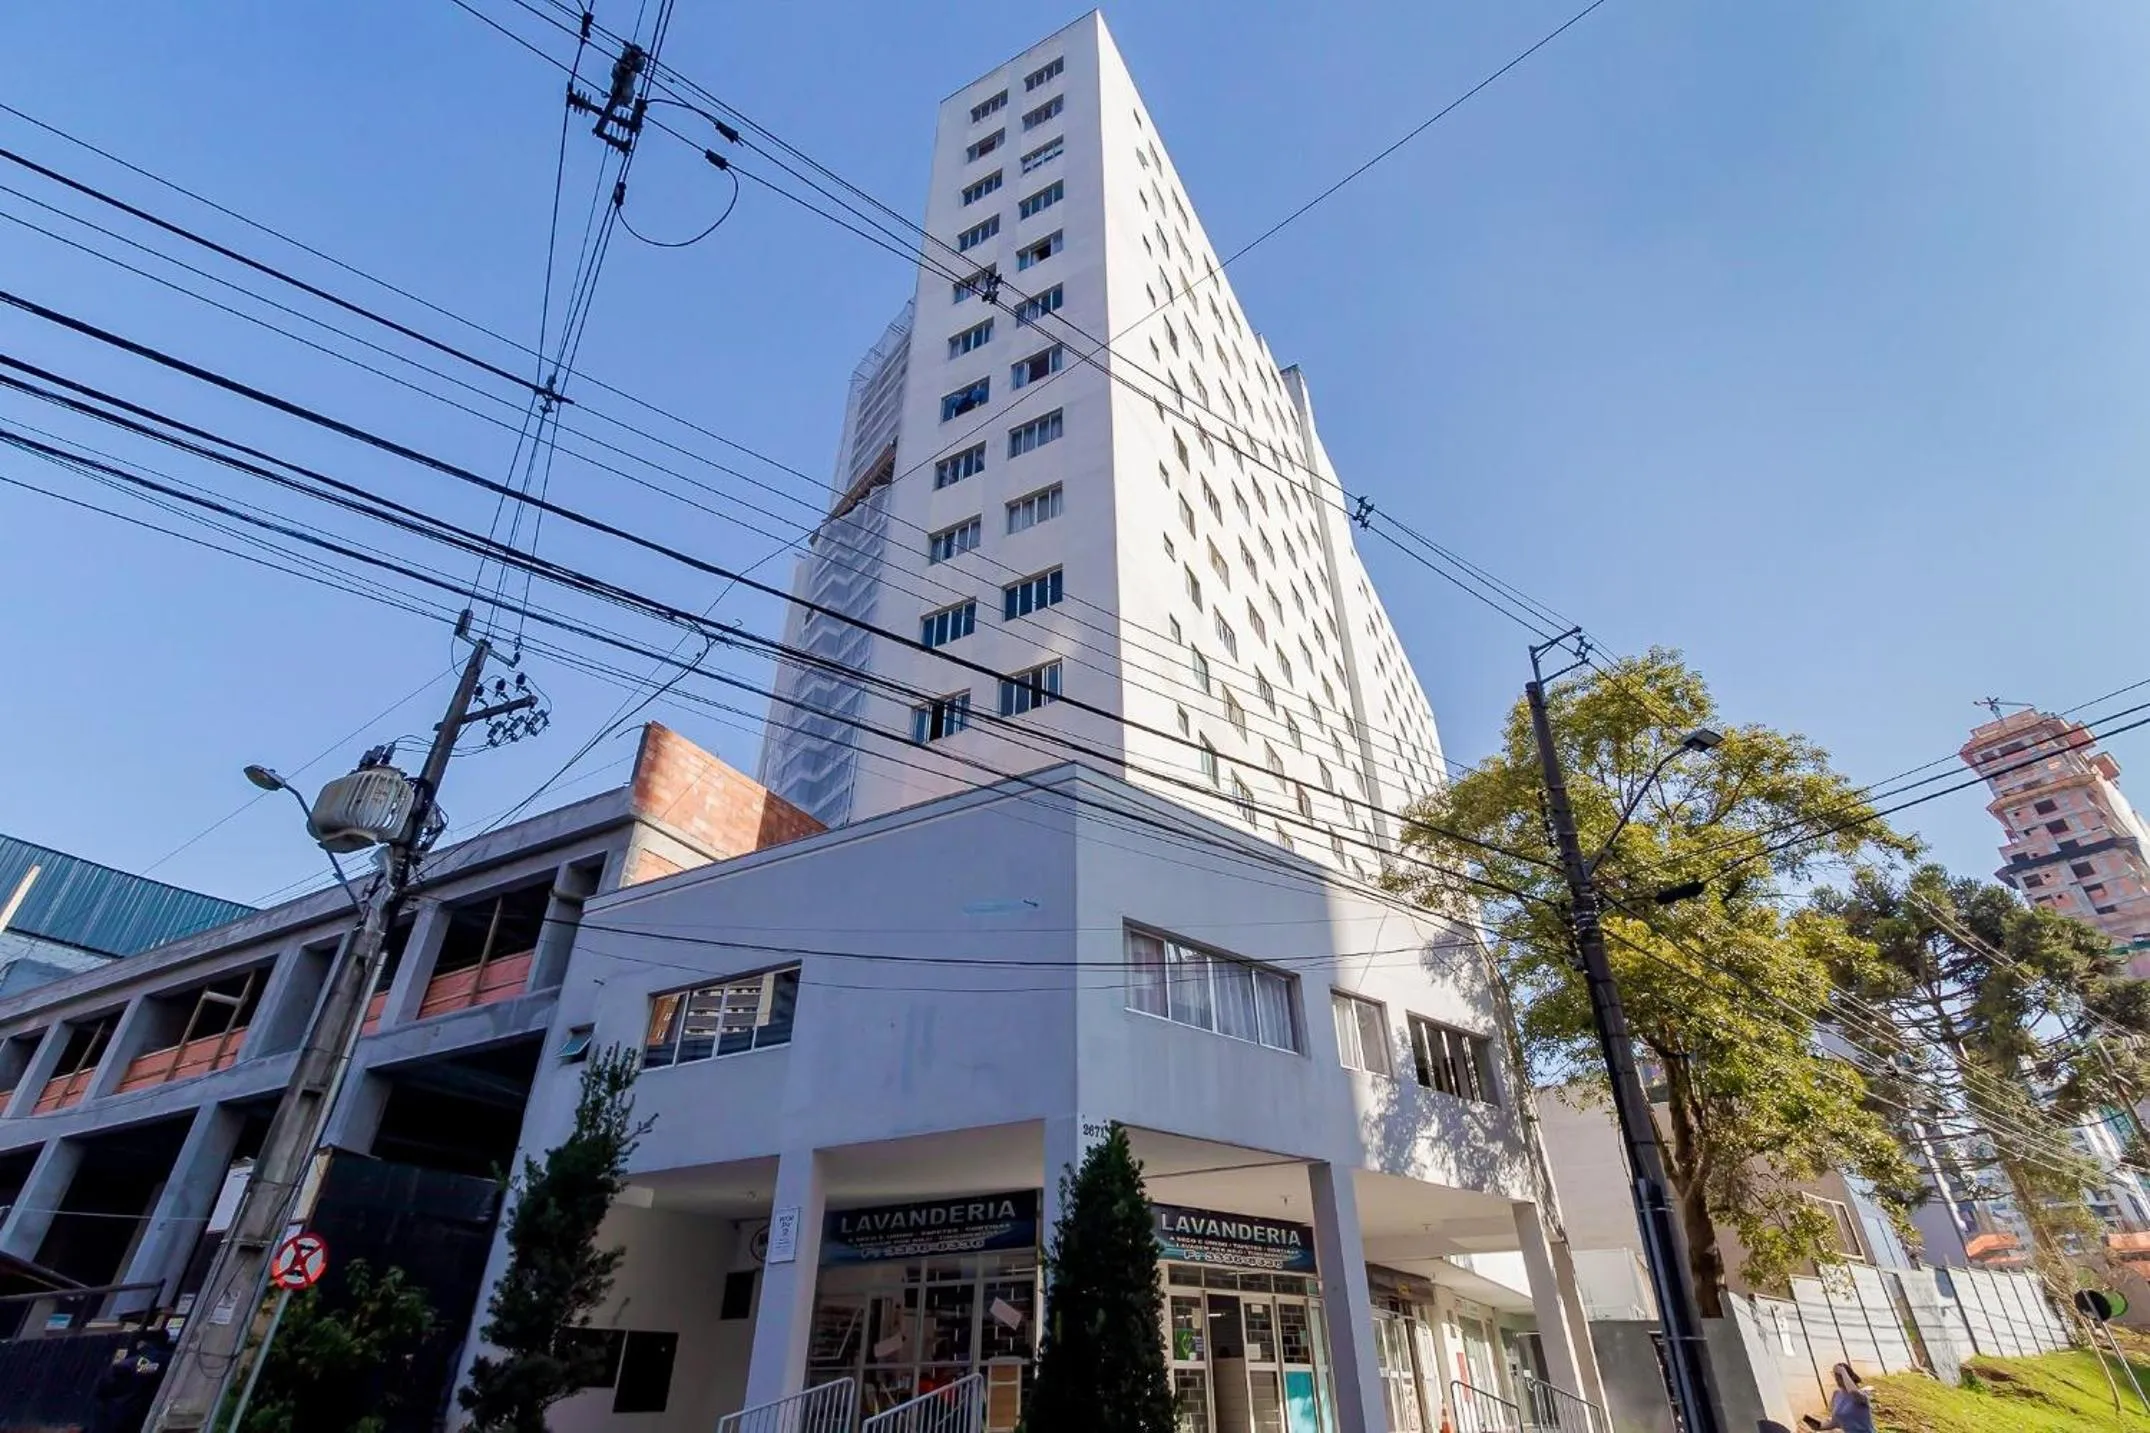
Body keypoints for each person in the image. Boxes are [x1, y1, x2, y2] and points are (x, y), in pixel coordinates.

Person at [1800, 1362, 1875, 1433]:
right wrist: (1819, 1426)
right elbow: (1835, 1422)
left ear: (1848, 1377)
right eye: (1836, 1377)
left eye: (1839, 1377)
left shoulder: (1862, 1395)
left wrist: (1842, 1371)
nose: (1836, 1379)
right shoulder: (1837, 1395)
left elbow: (1853, 1392)